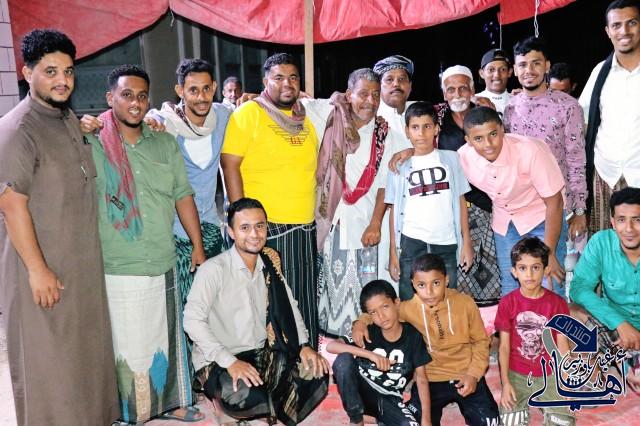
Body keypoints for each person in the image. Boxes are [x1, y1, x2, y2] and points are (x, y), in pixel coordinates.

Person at [0, 28, 119, 426]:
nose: (62, 80)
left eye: (68, 71)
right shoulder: (17, 130)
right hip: (41, 274)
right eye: (50, 71)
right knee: (49, 370)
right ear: (27, 73)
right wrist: (38, 270)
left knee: (84, 364)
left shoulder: (66, 118)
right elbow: (11, 203)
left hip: (80, 270)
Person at [87, 64, 205, 423]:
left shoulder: (164, 142)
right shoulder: (92, 143)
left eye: (141, 96)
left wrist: (197, 246)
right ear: (110, 98)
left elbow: (182, 194)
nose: (135, 103)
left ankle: (168, 404)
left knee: (162, 338)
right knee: (124, 345)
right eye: (126, 95)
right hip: (117, 262)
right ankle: (125, 412)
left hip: (161, 256)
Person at [183, 198, 329, 424]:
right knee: (243, 395)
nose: (254, 234)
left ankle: (268, 406)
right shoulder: (214, 270)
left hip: (260, 354)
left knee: (317, 371)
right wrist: (229, 361)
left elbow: (291, 306)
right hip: (219, 359)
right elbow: (192, 321)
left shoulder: (269, 264)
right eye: (245, 227)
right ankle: (238, 405)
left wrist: (303, 346)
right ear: (231, 232)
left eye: (259, 226)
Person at [221, 53, 320, 347]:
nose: (287, 84)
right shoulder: (248, 114)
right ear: (265, 81)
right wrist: (242, 222)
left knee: (302, 302)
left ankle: (304, 367)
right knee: (269, 308)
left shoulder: (306, 117)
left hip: (304, 228)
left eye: (293, 77)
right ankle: (272, 370)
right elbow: (229, 165)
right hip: (266, 229)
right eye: (278, 77)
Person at [306, 68, 405, 336]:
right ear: (349, 95)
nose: (370, 101)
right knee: (329, 290)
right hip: (330, 223)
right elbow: (293, 104)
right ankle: (333, 344)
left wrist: (375, 223)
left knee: (365, 288)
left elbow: (386, 185)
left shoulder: (386, 135)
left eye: (375, 95)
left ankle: (364, 342)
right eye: (363, 94)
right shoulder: (329, 116)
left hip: (366, 226)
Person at [352, 254, 499, 426]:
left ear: (446, 280)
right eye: (421, 285)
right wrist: (360, 322)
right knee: (414, 422)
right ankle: (383, 416)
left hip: (465, 375)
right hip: (430, 379)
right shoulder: (408, 309)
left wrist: (473, 375)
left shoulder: (465, 303)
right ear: (413, 284)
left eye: (436, 283)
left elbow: (481, 341)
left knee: (490, 422)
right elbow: (381, 311)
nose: (429, 292)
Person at [458, 107, 567, 297]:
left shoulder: (530, 150)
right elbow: (438, 164)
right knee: (511, 287)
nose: (488, 144)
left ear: (502, 129)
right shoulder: (462, 157)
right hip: (505, 221)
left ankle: (555, 318)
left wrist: (549, 253)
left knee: (549, 283)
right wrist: (409, 152)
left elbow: (555, 202)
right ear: (468, 140)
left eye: (493, 134)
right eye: (478, 139)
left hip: (542, 218)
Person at [386, 101, 473, 300]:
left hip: (446, 240)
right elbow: (394, 209)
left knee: (447, 300)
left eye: (427, 126)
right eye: (415, 127)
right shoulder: (398, 165)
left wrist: (466, 241)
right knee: (410, 302)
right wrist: (393, 251)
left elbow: (461, 200)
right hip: (411, 240)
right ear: (407, 131)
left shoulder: (451, 159)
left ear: (436, 129)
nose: (421, 133)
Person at [504, 36, 587, 241]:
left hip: (556, 209)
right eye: (523, 65)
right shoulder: (511, 108)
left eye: (536, 63)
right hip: (517, 212)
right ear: (515, 70)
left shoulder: (568, 107)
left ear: (547, 66)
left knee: (552, 262)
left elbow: (576, 161)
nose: (529, 70)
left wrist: (579, 210)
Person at [436, 65, 501, 305]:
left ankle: (492, 323)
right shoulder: (437, 120)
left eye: (463, 88)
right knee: (459, 276)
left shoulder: (486, 116)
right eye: (451, 89)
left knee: (493, 272)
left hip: (490, 207)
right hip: (453, 209)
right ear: (444, 94)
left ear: (473, 90)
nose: (457, 94)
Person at [328, 279, 431, 426]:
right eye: (373, 312)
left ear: (396, 303)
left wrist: (426, 420)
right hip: (362, 392)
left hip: (390, 397)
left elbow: (421, 379)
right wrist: (371, 355)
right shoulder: (368, 332)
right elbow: (331, 346)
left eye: (385, 307)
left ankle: (377, 419)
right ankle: (357, 419)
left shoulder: (413, 336)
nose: (381, 316)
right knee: (343, 360)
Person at [494, 237, 574, 426]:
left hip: (550, 374)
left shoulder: (558, 304)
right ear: (514, 272)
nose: (529, 274)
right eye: (523, 268)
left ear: (546, 270)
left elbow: (562, 344)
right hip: (517, 374)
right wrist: (506, 384)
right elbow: (503, 348)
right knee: (509, 422)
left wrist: (566, 378)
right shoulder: (507, 303)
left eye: (535, 267)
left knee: (563, 422)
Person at [579, 0, 640, 233]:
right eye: (616, 25)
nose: (624, 31)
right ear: (608, 31)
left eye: (631, 23)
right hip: (605, 175)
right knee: (605, 245)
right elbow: (581, 121)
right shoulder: (599, 72)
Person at [570, 187, 640, 388]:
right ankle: (601, 363)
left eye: (637, 220)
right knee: (571, 312)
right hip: (613, 327)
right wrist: (619, 324)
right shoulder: (601, 242)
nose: (629, 229)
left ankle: (623, 361)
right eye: (621, 220)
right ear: (612, 222)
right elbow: (579, 287)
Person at [372, 55, 416, 284]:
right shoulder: (368, 118)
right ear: (379, 86)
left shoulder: (420, 116)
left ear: (410, 86)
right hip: (375, 212)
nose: (396, 84)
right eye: (389, 79)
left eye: (402, 79)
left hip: (415, 213)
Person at [476, 48, 513, 114]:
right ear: (481, 73)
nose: (497, 75)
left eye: (502, 69)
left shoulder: (519, 101)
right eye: (491, 70)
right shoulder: (473, 102)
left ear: (509, 72)